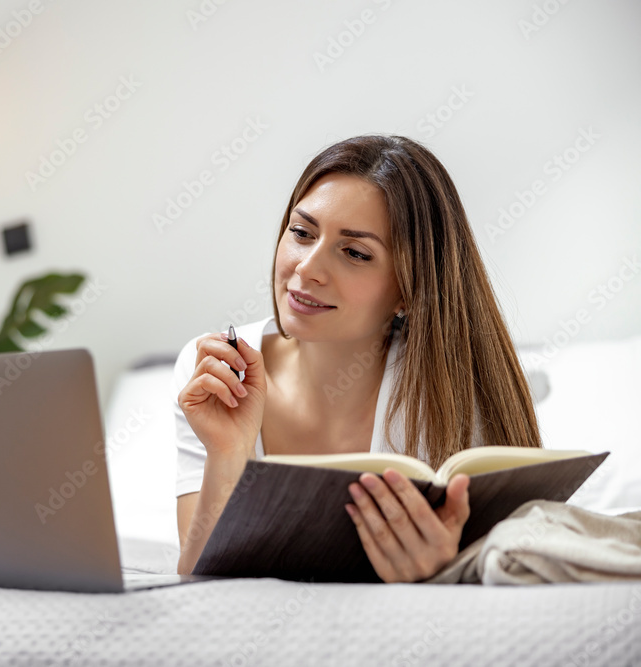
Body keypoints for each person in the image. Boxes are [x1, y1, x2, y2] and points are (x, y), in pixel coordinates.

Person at [173, 134, 543, 582]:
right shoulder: (215, 370)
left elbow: (523, 558)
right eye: (302, 232)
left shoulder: (448, 386)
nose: (307, 268)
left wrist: (444, 576)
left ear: (408, 289)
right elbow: (197, 579)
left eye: (354, 252)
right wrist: (227, 453)